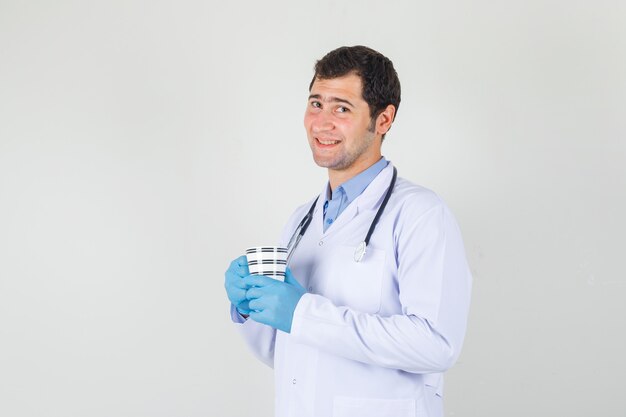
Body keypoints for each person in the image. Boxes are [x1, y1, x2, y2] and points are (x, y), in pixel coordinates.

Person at [224, 45, 472, 417]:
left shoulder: (420, 214)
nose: (322, 123)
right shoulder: (301, 220)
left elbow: (436, 345)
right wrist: (250, 307)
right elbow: (288, 353)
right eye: (315, 103)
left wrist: (302, 312)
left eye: (342, 108)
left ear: (383, 120)